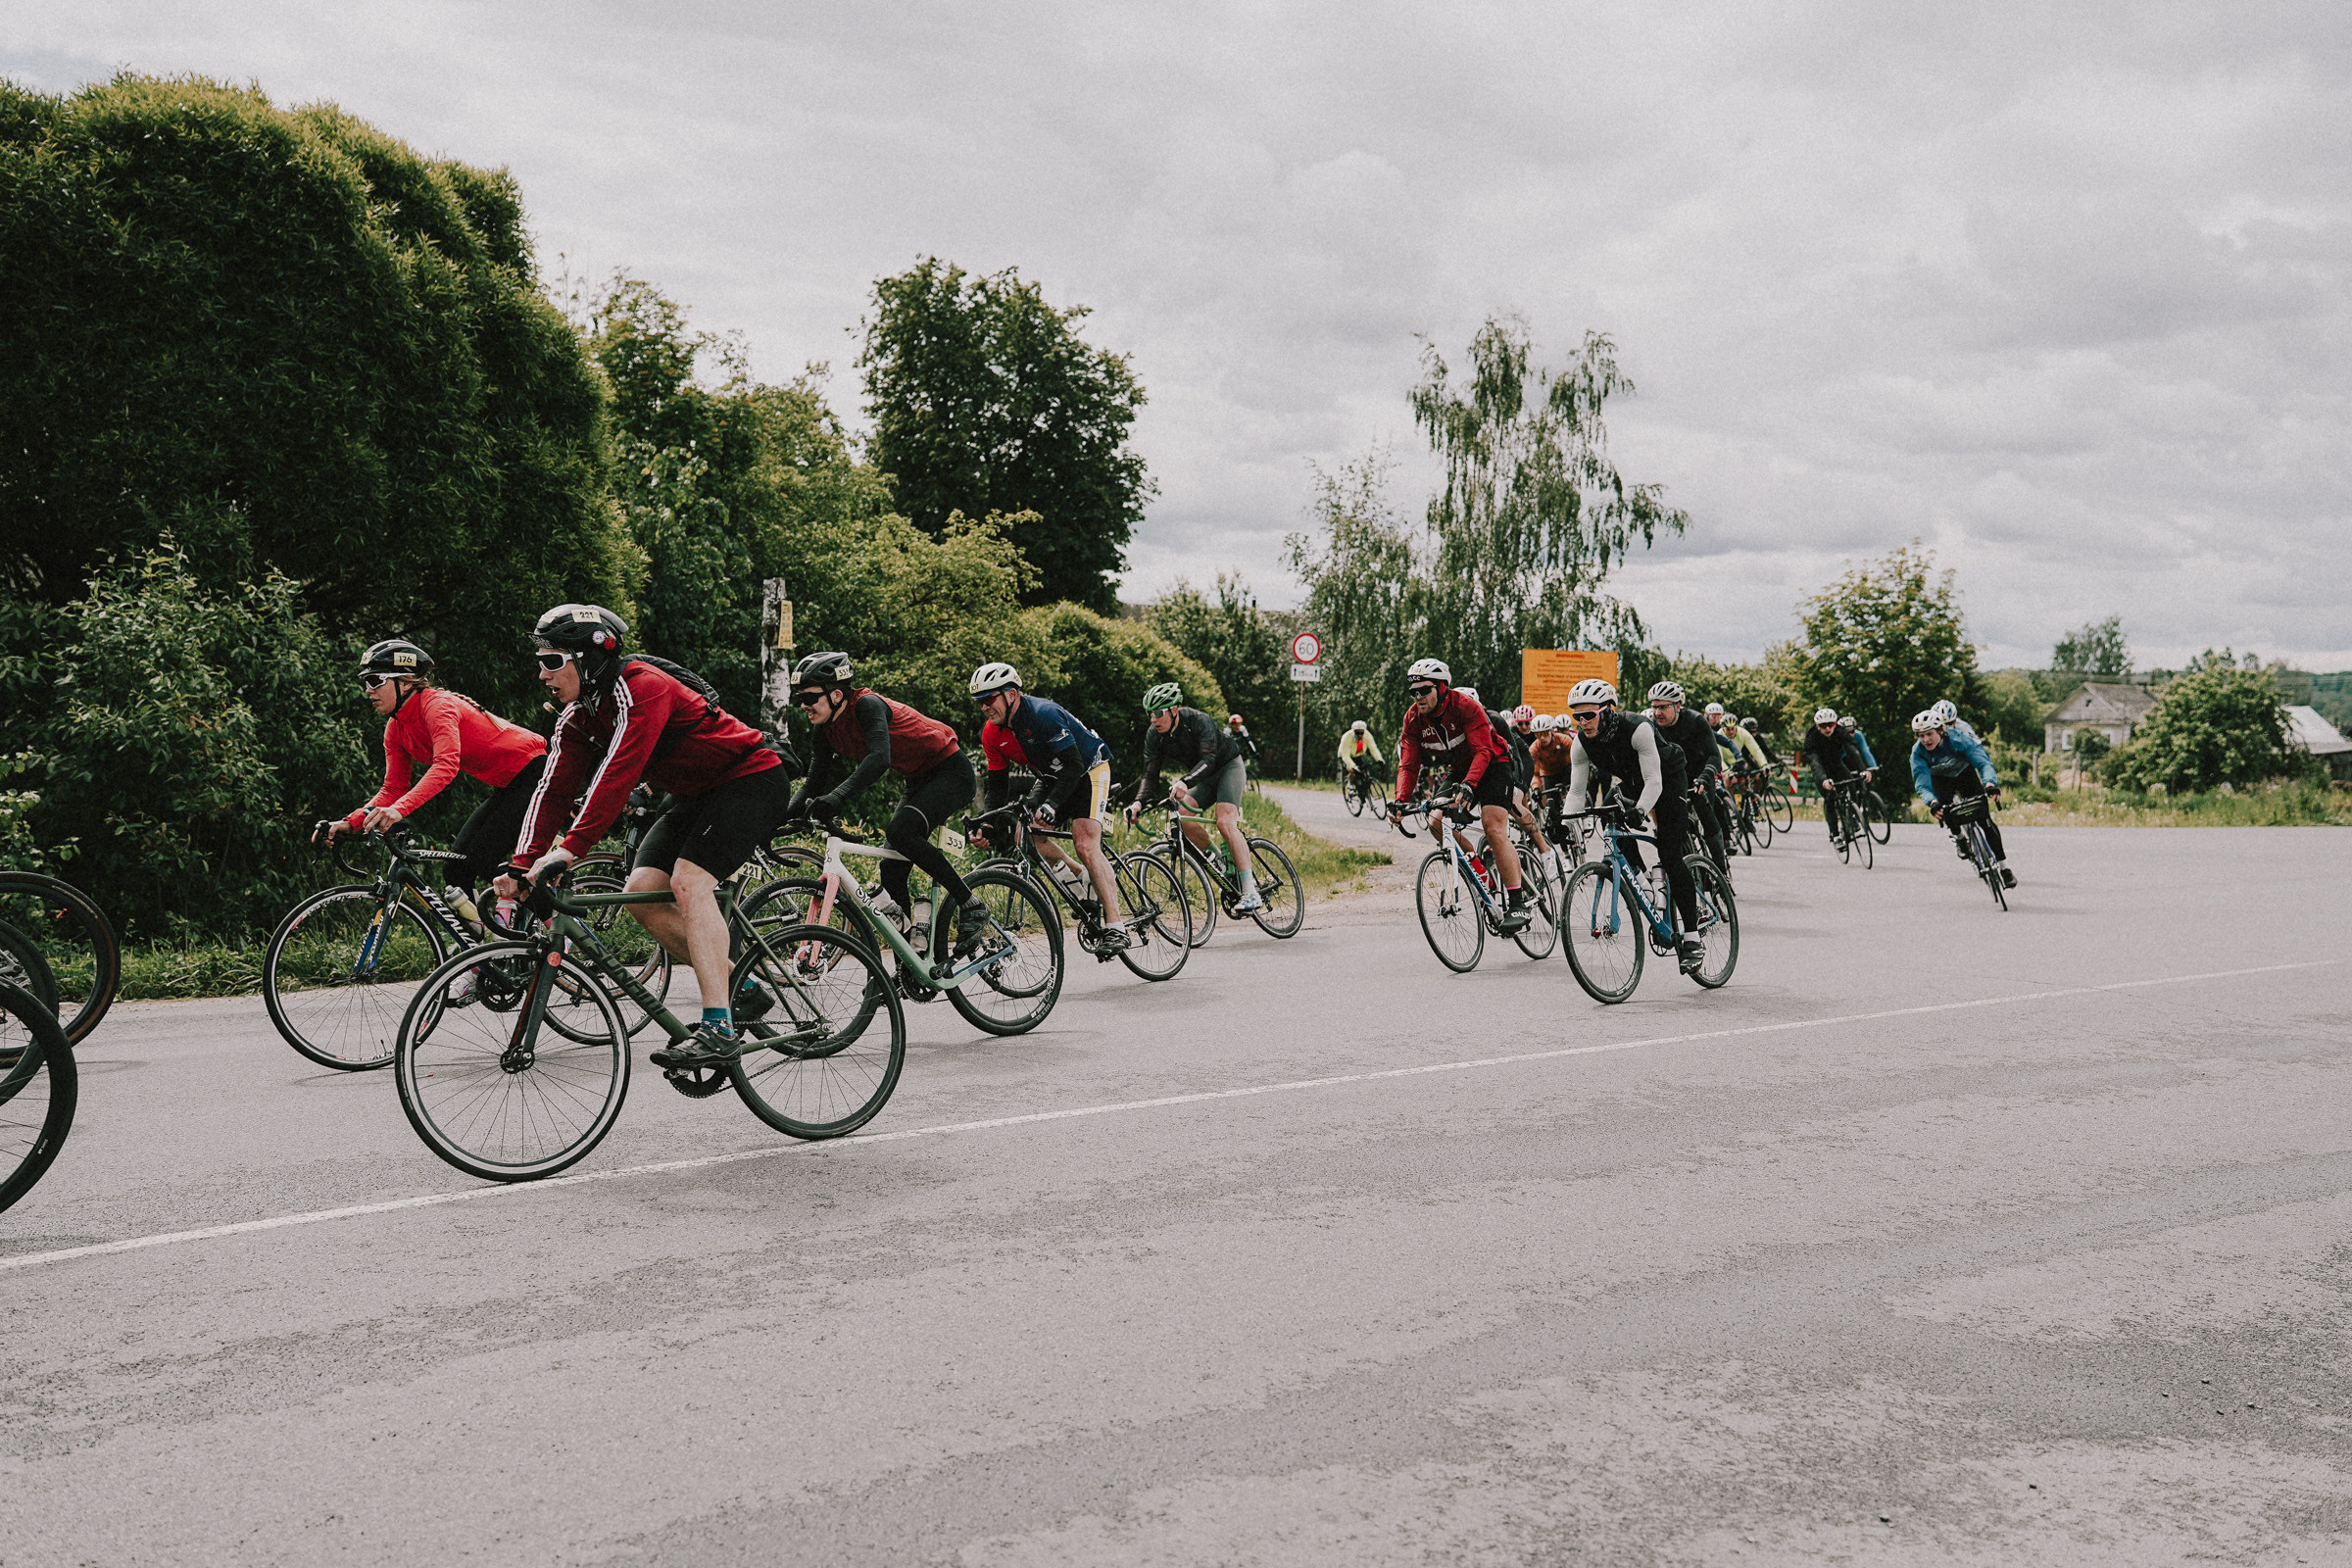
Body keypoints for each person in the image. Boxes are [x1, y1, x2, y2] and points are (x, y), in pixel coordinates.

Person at [501, 605, 793, 1070]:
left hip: (750, 778)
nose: (542, 674)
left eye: (553, 661)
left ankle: (719, 1027)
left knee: (690, 882)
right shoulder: (577, 717)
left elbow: (619, 772)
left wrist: (571, 850)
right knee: (639, 893)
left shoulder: (642, 687)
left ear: (591, 655)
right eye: (540, 661)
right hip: (694, 794)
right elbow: (552, 790)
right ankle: (745, 988)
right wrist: (523, 862)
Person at [323, 639, 547, 927]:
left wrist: (399, 811)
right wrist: (349, 822)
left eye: (375, 680)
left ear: (405, 683)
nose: (368, 689)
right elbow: (393, 787)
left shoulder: (437, 706)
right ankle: (480, 952)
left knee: (485, 860)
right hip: (507, 786)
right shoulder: (396, 728)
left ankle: (559, 935)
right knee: (456, 869)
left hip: (536, 773)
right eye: (365, 681)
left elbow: (446, 766)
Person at [788, 650, 991, 956]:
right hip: (918, 779)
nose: (804, 705)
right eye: (800, 698)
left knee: (901, 832)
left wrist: (838, 796)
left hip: (951, 770)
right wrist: (777, 819)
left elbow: (879, 758)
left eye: (810, 697)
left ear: (837, 694)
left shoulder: (867, 706)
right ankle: (910, 956)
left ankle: (971, 904)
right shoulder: (824, 730)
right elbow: (813, 783)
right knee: (891, 868)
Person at [970, 662, 1127, 955]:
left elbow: (1074, 765)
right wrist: (987, 824)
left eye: (989, 699)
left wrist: (1053, 806)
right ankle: (1080, 876)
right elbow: (997, 786)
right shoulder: (992, 734)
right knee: (1025, 836)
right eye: (980, 702)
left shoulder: (1044, 714)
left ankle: (1116, 927)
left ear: (1012, 694)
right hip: (1053, 776)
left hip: (1088, 768)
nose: (984, 708)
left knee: (1085, 841)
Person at [1561, 679, 1706, 974]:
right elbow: (1577, 793)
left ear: (1607, 710)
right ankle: (1642, 880)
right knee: (1610, 813)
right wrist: (1566, 822)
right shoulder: (1581, 742)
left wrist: (1640, 810)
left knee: (1670, 854)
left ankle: (1691, 938)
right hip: (1633, 782)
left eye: (1589, 715)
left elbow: (1654, 781)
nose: (1583, 722)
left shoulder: (1637, 728)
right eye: (1578, 716)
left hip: (1668, 778)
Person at [1385, 659, 1532, 933]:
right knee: (1435, 821)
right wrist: (1401, 801)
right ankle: (1478, 866)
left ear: (1441, 687)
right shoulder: (1413, 719)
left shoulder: (1465, 706)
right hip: (1461, 770)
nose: (1418, 697)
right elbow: (1408, 764)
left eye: (1424, 690)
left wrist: (1470, 785)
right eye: (1413, 692)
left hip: (1493, 763)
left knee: (1493, 826)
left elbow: (1484, 751)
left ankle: (1517, 901)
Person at [1125, 684, 1261, 914]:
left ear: (1174, 710)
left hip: (1227, 766)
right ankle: (1220, 862)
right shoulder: (1154, 736)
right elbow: (1150, 774)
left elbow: (1209, 759)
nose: (1154, 719)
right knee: (1183, 817)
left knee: (1225, 822)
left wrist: (1184, 782)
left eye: (1158, 713)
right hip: (1203, 777)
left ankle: (1251, 891)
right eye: (1150, 714)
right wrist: (1138, 802)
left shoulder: (1198, 720)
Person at [1910, 710, 2014, 887]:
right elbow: (1922, 783)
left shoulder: (1958, 739)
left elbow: (1983, 762)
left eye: (1929, 734)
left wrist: (1989, 784)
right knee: (1945, 809)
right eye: (1921, 736)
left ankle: (2004, 869)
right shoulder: (1918, 753)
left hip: (1965, 774)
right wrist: (1932, 802)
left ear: (1940, 731)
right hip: (1941, 780)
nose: (1926, 740)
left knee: (1984, 820)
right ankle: (1959, 837)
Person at [1646, 682, 1733, 876]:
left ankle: (1721, 872)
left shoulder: (1696, 721)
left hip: (1699, 776)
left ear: (1678, 706)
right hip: (1673, 779)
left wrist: (1705, 777)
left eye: (1663, 707)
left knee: (1706, 816)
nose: (1658, 712)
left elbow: (1714, 754)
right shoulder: (1651, 726)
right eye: (1654, 706)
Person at [1799, 708, 1872, 846]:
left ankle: (1853, 816)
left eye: (1831, 724)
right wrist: (1823, 779)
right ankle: (1835, 834)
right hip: (1822, 769)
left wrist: (1863, 769)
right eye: (1823, 726)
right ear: (1817, 726)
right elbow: (1814, 762)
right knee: (1830, 798)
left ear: (1835, 724)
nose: (1827, 728)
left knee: (1851, 784)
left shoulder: (1840, 731)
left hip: (1837, 765)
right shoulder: (1812, 737)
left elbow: (1852, 750)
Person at [1337, 719, 1385, 801]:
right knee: (1352, 770)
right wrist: (1354, 766)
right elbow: (1345, 756)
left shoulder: (1367, 736)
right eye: (1357, 733)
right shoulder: (1346, 737)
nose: (1359, 735)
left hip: (1357, 755)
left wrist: (1379, 759)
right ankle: (1350, 785)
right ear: (1353, 731)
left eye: (1361, 733)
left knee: (1364, 773)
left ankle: (1364, 793)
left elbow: (1373, 749)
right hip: (1344, 755)